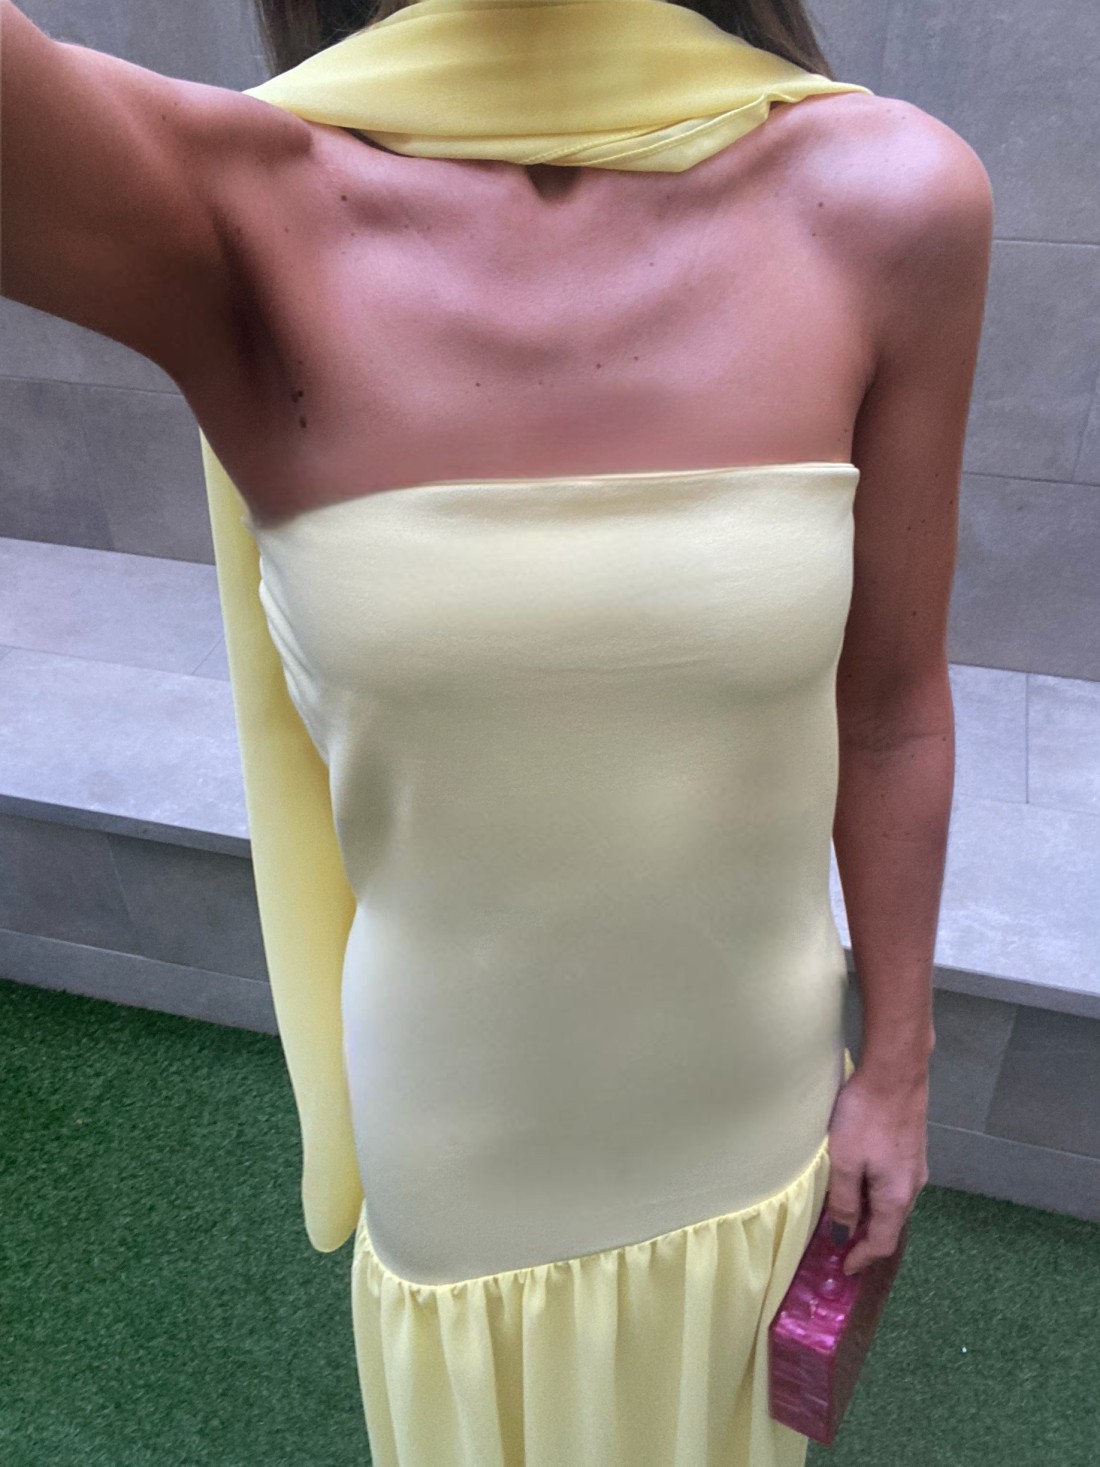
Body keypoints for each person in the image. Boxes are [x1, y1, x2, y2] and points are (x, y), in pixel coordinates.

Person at [2, 0, 993, 1462]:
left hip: (749, 1111)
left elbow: (893, 706)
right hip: (463, 1157)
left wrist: (897, 1069)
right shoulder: (229, 211)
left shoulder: (889, 202)